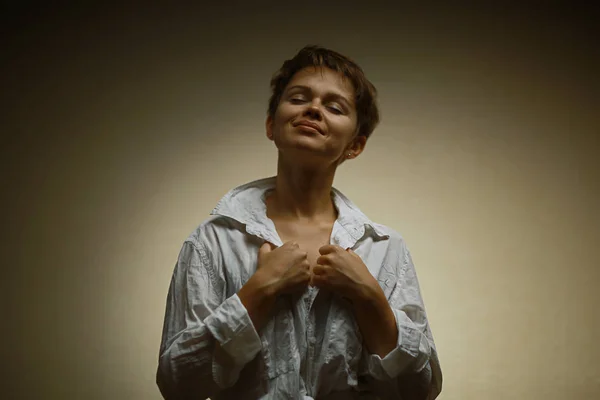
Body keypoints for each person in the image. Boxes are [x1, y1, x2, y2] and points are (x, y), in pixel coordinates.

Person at [156, 45, 442, 400]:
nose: (313, 109)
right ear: (270, 125)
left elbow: (421, 391)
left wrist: (372, 301)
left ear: (355, 145)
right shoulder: (212, 241)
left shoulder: (386, 250)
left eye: (334, 107)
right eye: (298, 98)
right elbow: (177, 385)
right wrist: (257, 292)